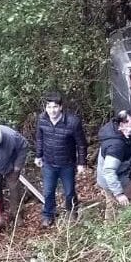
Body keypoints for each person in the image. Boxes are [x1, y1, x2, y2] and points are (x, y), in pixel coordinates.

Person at [34, 91, 87, 228]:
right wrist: (38, 155)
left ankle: (72, 211)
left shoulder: (73, 122)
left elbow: (81, 144)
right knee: (48, 191)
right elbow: (39, 139)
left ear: (61, 107)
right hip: (49, 163)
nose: (52, 110)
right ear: (45, 108)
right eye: (49, 107)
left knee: (69, 191)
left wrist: (81, 163)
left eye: (55, 107)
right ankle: (48, 215)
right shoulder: (42, 120)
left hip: (67, 164)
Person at [96, 110, 131, 215]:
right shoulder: (116, 146)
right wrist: (119, 194)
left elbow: (127, 156)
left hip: (115, 177)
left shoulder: (124, 132)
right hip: (112, 180)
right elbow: (109, 171)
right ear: (122, 124)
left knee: (111, 206)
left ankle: (110, 227)